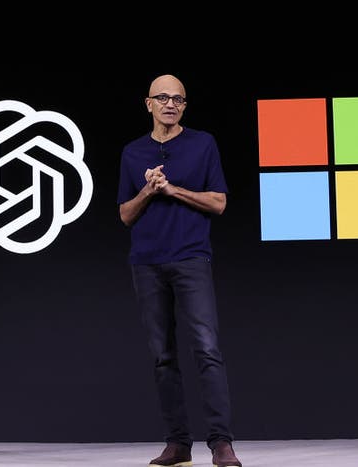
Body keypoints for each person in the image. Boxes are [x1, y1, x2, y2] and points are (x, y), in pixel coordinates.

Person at [117, 74, 242, 467]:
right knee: (162, 356)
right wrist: (147, 191)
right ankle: (177, 444)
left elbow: (219, 203)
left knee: (207, 349)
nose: (170, 104)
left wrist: (172, 190)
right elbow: (125, 214)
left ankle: (221, 443)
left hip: (190, 258)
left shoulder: (203, 144)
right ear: (148, 103)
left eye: (178, 99)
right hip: (147, 262)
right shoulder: (132, 153)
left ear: (185, 106)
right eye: (163, 98)